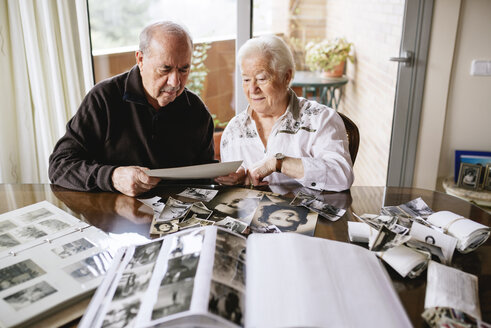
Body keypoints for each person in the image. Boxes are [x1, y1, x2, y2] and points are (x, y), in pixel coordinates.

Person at [49, 21, 215, 197]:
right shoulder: (104, 98)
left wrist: (223, 178)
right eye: (165, 69)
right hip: (110, 219)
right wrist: (112, 177)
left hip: (177, 220)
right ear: (141, 60)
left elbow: (205, 181)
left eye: (184, 70)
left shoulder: (197, 112)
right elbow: (59, 166)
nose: (175, 82)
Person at [215, 35, 353, 191]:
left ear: (286, 77)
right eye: (246, 80)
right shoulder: (234, 130)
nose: (252, 89)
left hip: (308, 214)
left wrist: (278, 163)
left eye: (261, 79)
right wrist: (237, 181)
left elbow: (342, 176)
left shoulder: (320, 119)